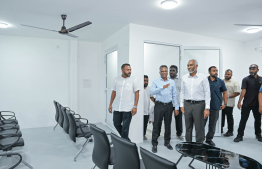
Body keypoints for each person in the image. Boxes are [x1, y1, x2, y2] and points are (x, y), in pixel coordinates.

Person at [150, 65, 179, 153]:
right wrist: (162, 87)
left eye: (165, 71)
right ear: (159, 72)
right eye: (162, 71)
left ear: (167, 72)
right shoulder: (156, 82)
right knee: (156, 125)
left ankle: (167, 142)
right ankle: (154, 143)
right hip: (159, 105)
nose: (164, 73)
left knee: (168, 125)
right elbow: (151, 92)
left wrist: (176, 107)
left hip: (169, 106)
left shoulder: (172, 82)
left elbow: (174, 95)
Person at [180, 59, 210, 143]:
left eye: (191, 65)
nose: (189, 67)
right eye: (188, 65)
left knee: (199, 128)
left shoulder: (203, 77)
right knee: (188, 127)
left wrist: (207, 108)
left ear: (196, 66)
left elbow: (207, 92)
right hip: (187, 104)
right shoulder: (184, 78)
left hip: (199, 105)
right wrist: (181, 105)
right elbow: (182, 92)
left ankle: (199, 148)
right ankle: (188, 147)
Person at [108, 63, 140, 140]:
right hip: (117, 106)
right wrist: (110, 104)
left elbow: (137, 92)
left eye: (130, 70)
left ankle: (124, 145)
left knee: (125, 128)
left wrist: (135, 106)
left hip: (128, 108)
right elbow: (114, 92)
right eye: (127, 70)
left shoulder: (134, 79)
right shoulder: (116, 79)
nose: (129, 71)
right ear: (122, 70)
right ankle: (126, 141)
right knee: (116, 123)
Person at [234, 64, 262, 142]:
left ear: (257, 70)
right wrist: (239, 102)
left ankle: (258, 134)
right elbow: (243, 91)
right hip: (247, 103)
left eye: (253, 69)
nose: (251, 70)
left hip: (257, 104)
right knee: (243, 120)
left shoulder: (261, 79)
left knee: (258, 120)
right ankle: (239, 135)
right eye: (250, 69)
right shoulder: (246, 79)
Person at [205, 66, 228, 146]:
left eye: (216, 71)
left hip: (215, 106)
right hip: (205, 107)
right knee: (201, 124)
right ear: (209, 72)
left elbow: (225, 92)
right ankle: (200, 139)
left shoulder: (220, 81)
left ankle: (209, 139)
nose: (216, 72)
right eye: (213, 71)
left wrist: (225, 103)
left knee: (212, 124)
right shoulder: (204, 81)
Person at [222, 69, 240, 137]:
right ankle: (220, 129)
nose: (227, 75)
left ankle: (230, 131)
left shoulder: (235, 83)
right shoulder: (221, 81)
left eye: (228, 74)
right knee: (221, 117)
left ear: (231, 75)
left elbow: (237, 92)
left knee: (229, 117)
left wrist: (227, 96)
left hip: (229, 103)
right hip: (221, 103)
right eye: (226, 74)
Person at [169, 65, 184, 141]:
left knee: (179, 120)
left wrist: (182, 104)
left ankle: (179, 134)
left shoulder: (180, 81)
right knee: (167, 120)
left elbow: (182, 93)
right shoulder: (167, 80)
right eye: (170, 70)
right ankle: (167, 135)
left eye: (173, 70)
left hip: (177, 104)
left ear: (176, 72)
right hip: (168, 104)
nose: (171, 72)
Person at [143, 75, 154, 140]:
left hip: (146, 110)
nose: (146, 82)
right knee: (139, 125)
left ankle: (143, 135)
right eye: (144, 81)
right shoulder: (139, 89)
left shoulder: (149, 88)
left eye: (147, 81)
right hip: (139, 111)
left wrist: (156, 102)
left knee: (145, 124)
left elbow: (151, 97)